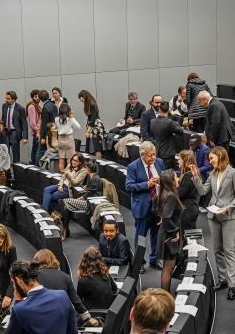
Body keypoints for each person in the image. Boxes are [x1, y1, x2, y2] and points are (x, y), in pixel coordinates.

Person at [193, 147, 235, 300]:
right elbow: (202, 191)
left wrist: (227, 208)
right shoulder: (213, 173)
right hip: (213, 216)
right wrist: (196, 177)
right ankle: (222, 279)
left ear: (220, 157)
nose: (210, 161)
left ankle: (231, 285)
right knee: (217, 250)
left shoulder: (233, 173)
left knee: (229, 251)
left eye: (212, 158)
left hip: (228, 217)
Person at [6, 261, 78, 334]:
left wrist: (17, 301)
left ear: (18, 281)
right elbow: (73, 331)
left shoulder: (19, 310)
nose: (14, 287)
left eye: (13, 283)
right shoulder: (62, 296)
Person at [32, 250, 98, 326]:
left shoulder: (33, 278)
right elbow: (76, 301)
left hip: (40, 318)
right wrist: (88, 318)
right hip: (61, 319)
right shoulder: (65, 277)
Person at [126, 141, 164, 271]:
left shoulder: (159, 162)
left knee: (156, 234)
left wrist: (161, 181)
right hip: (142, 208)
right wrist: (146, 184)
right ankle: (139, 262)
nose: (153, 158)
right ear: (142, 155)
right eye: (150, 155)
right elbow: (129, 186)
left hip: (157, 206)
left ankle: (155, 259)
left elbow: (164, 178)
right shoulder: (133, 166)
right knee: (140, 236)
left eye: (154, 154)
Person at [76, 247, 117, 311]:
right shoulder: (105, 273)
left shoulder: (83, 281)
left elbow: (78, 300)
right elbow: (115, 289)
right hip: (108, 310)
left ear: (84, 261)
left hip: (93, 314)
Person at [151, 102, 184, 169]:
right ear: (168, 110)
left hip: (157, 151)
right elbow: (180, 131)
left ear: (159, 109)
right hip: (168, 153)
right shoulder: (170, 122)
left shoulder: (152, 121)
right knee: (168, 175)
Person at [0, 91, 28, 166]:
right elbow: (3, 117)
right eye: (6, 98)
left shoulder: (20, 108)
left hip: (15, 132)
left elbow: (24, 123)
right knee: (5, 153)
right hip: (5, 132)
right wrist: (1, 127)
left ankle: (16, 173)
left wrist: (25, 137)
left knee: (15, 154)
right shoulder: (4, 106)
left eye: (8, 99)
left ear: (14, 99)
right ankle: (7, 173)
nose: (6, 100)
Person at [51, 105, 81, 171]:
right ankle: (68, 175)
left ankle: (61, 175)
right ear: (68, 111)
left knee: (61, 159)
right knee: (69, 159)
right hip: (69, 139)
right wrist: (72, 117)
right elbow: (78, 127)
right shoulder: (70, 119)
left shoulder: (56, 119)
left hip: (60, 139)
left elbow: (55, 127)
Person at [80, 90, 107, 158]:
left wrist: (88, 131)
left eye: (81, 99)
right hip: (93, 127)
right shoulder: (90, 104)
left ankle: (98, 164)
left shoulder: (92, 104)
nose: (81, 100)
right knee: (94, 147)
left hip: (95, 128)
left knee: (97, 148)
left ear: (84, 97)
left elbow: (93, 119)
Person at [27, 90, 47, 164]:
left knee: (35, 148)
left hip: (38, 130)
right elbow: (32, 122)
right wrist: (37, 130)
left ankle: (34, 164)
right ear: (32, 97)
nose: (37, 98)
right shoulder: (32, 106)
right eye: (35, 96)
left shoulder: (37, 105)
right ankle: (34, 164)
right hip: (36, 131)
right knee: (36, 149)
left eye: (38, 96)